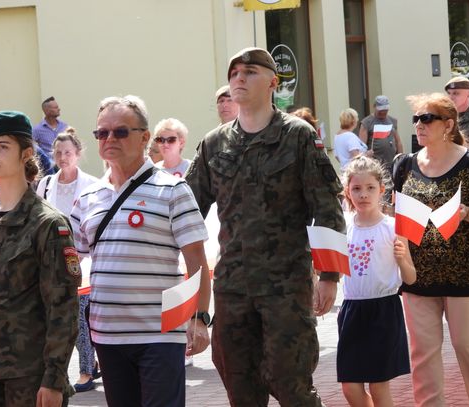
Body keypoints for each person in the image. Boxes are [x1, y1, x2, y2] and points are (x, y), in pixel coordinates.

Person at [185, 47, 345, 406]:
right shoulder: (214, 143)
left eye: (250, 72)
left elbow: (327, 207)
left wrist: (330, 276)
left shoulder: (298, 136)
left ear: (273, 82)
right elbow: (187, 210)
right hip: (233, 287)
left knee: (291, 385)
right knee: (240, 387)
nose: (239, 78)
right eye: (234, 73)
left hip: (285, 287)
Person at [70, 95, 211, 407]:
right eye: (102, 132)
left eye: (120, 131)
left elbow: (196, 260)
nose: (109, 138)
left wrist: (199, 318)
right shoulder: (87, 197)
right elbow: (74, 264)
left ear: (145, 137)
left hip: (160, 333)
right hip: (107, 335)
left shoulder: (173, 189)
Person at [393, 92, 469, 406]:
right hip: (418, 277)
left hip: (467, 275)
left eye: (427, 118)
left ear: (448, 125)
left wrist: (467, 213)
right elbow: (397, 216)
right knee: (423, 357)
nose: (419, 124)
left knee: (468, 347)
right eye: (416, 119)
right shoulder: (404, 165)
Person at [0, 111, 80, 406]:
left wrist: (54, 379)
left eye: (2, 146)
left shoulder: (48, 224)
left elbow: (63, 308)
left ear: (26, 153)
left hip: (30, 375)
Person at [337, 155, 416, 406]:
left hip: (384, 310)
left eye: (370, 188)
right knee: (350, 387)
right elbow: (331, 269)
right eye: (356, 189)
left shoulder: (394, 227)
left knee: (379, 385)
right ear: (347, 192)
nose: (363, 194)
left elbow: (411, 277)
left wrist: (402, 260)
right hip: (351, 310)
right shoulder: (343, 227)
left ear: (381, 190)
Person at [36, 127, 100, 393]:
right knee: (55, 316)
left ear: (78, 154)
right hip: (50, 260)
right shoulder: (45, 184)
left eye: (68, 153)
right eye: (59, 153)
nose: (63, 158)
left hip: (80, 257)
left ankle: (86, 371)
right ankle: (87, 364)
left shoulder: (92, 184)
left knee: (80, 317)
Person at [358, 95, 403, 170]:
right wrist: (366, 156)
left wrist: (401, 159)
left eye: (385, 111)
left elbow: (398, 142)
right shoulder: (366, 122)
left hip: (391, 163)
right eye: (380, 110)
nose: (383, 112)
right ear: (374, 106)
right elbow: (361, 147)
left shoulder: (392, 121)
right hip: (374, 166)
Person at [32, 96, 68, 161]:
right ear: (47, 111)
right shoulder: (37, 130)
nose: (59, 109)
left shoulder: (64, 127)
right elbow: (31, 146)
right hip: (48, 165)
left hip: (64, 163)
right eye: (56, 107)